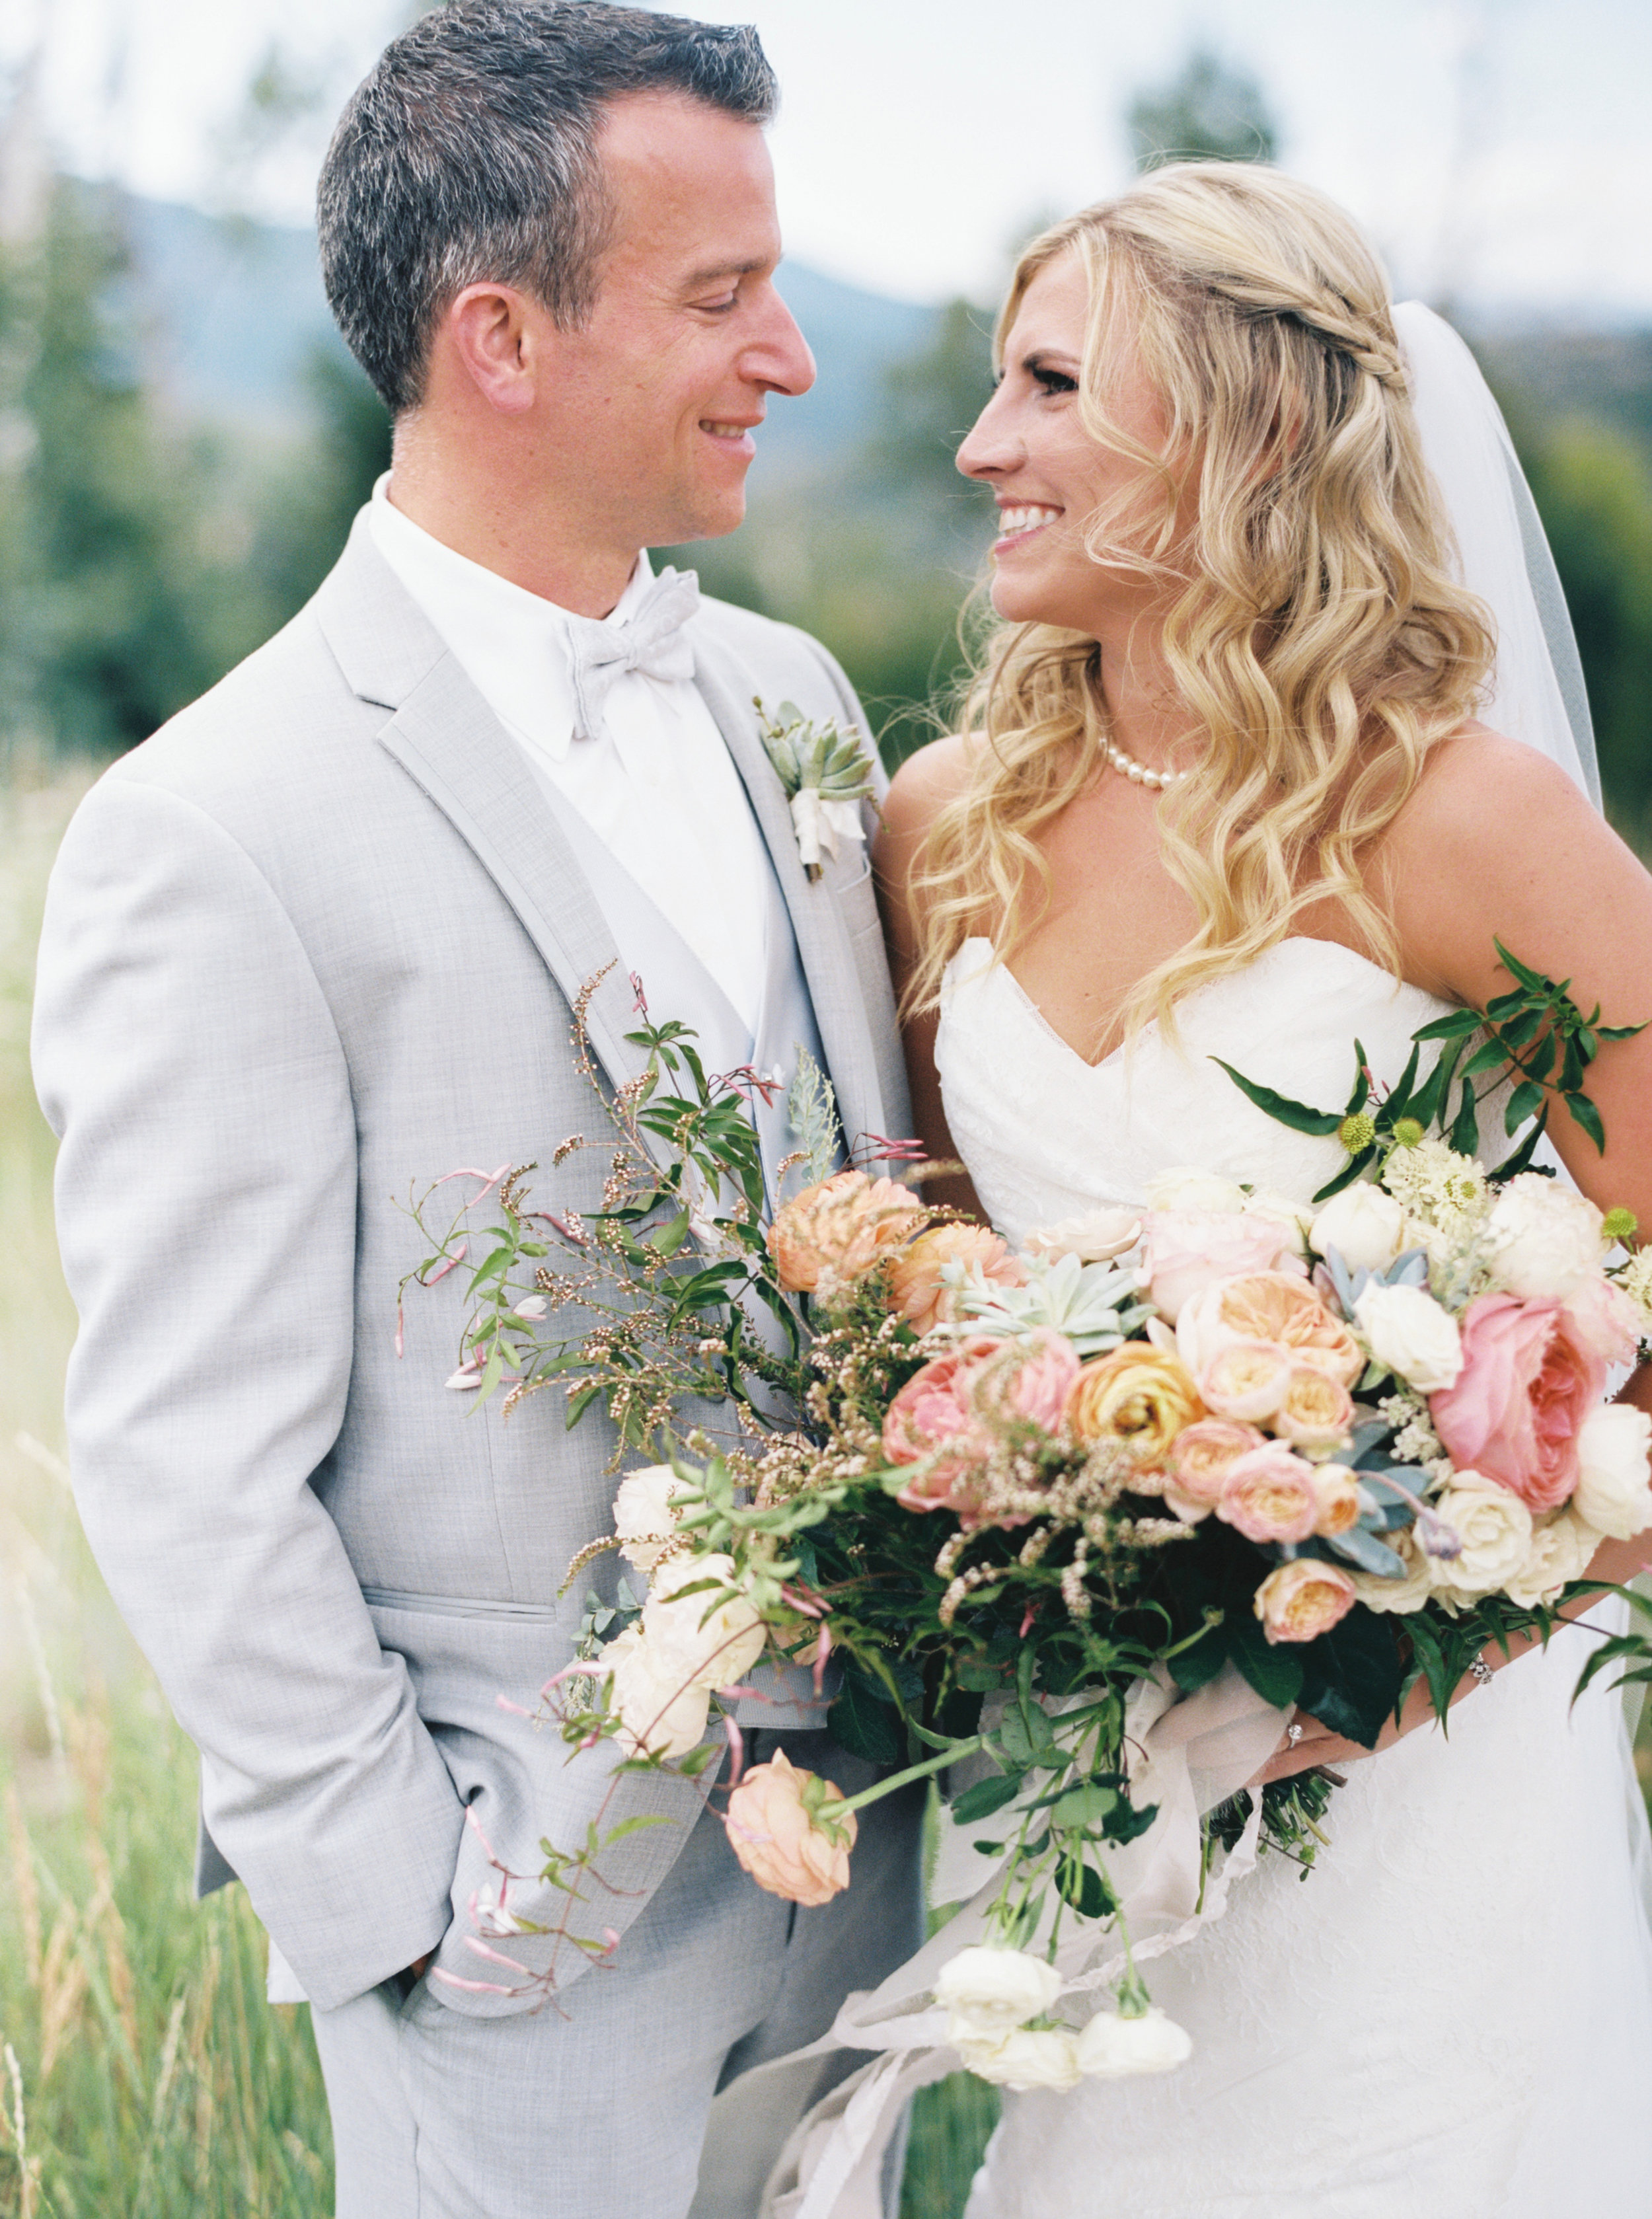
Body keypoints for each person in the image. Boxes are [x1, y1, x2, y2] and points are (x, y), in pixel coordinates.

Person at [31, 7, 922, 2216]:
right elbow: (182, 1446)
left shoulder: (787, 702)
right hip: (522, 1919)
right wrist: (405, 1902)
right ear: (499, 336)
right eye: (721, 298)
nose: (789, 358)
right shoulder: (216, 826)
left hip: (876, 1848)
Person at [878, 161, 1652, 2214]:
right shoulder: (937, 825)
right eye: (994, 383)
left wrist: (1383, 1673)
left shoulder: (1465, 820)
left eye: (1050, 385)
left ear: (1251, 429)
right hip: (1106, 1773)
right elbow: (934, 1303)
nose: (982, 448)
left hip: (1428, 1782)